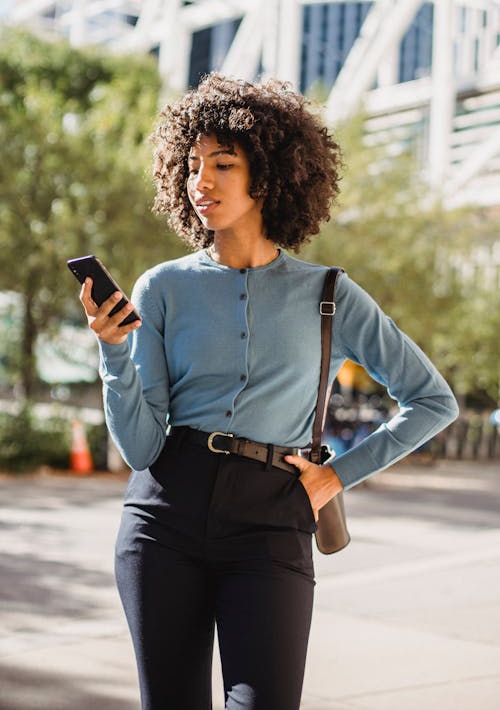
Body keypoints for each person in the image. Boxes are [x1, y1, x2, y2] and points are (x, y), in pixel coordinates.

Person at [79, 73, 459, 710]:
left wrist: (338, 474)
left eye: (223, 164)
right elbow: (142, 447)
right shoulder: (162, 288)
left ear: (271, 175)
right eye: (192, 164)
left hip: (272, 520)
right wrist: (114, 353)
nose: (201, 182)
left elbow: (432, 399)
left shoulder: (329, 293)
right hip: (164, 517)